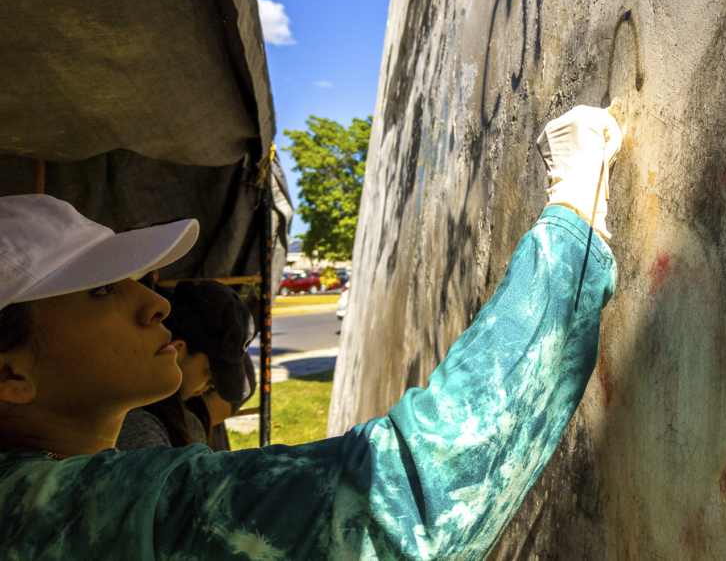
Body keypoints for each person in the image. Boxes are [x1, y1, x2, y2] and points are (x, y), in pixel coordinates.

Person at [0, 106, 621, 560]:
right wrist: (574, 215)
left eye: (134, 280)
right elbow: (397, 503)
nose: (156, 303)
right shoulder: (55, 517)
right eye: (101, 290)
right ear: (9, 373)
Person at [115, 280, 255, 450]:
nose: (213, 385)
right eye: (210, 372)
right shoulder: (140, 428)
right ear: (177, 350)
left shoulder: (186, 414)